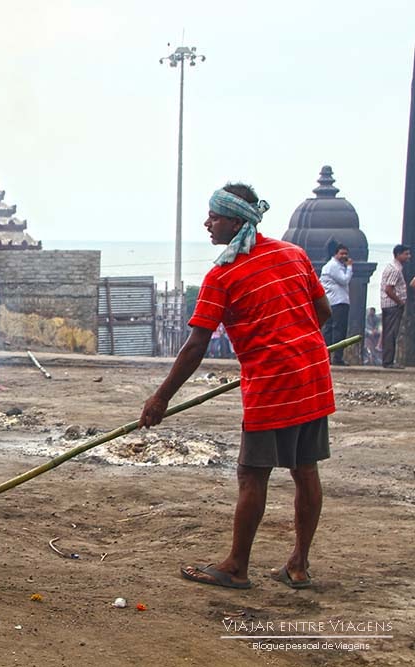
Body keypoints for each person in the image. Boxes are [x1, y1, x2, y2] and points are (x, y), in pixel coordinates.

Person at [140, 183, 334, 591]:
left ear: (234, 220)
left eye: (213, 217)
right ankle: (298, 566)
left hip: (273, 385)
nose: (207, 223)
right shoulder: (293, 254)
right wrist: (293, 342)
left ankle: (236, 567)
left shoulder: (223, 275)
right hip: (313, 377)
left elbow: (195, 347)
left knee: (252, 475)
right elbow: (323, 312)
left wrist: (161, 399)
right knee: (305, 469)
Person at [319, 243, 353, 365]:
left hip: (331, 301)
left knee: (329, 329)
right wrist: (349, 267)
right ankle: (337, 357)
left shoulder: (332, 266)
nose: (344, 256)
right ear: (335, 254)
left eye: (346, 254)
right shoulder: (334, 266)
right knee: (338, 329)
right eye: (342, 253)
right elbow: (344, 280)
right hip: (338, 301)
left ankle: (328, 356)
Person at [379, 244, 411, 369]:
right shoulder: (395, 269)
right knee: (391, 333)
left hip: (388, 305)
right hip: (392, 305)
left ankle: (387, 360)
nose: (408, 257)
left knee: (389, 332)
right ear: (398, 254)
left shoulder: (392, 267)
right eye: (406, 254)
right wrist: (400, 302)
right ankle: (388, 361)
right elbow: (389, 289)